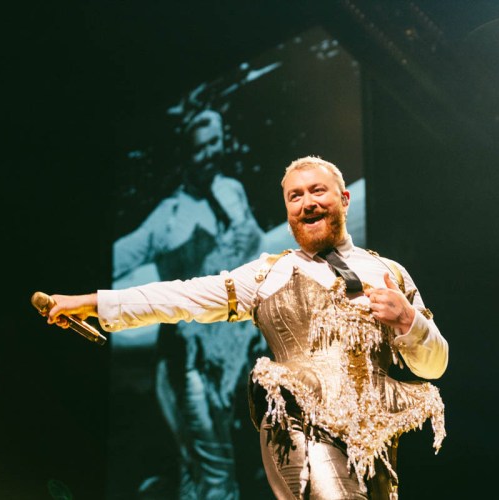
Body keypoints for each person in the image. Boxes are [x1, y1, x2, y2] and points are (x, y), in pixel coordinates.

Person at [46, 156, 449, 499]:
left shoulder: (389, 273)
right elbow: (181, 296)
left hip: (373, 442)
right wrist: (94, 303)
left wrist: (408, 321)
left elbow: (434, 365)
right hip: (299, 422)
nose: (307, 203)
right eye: (295, 196)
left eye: (317, 191)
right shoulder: (268, 274)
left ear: (344, 199)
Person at [113, 108, 266, 499]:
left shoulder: (232, 191)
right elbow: (118, 256)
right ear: (184, 155)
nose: (211, 154)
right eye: (200, 149)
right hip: (189, 364)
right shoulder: (170, 217)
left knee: (197, 472)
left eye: (216, 143)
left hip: (228, 359)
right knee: (218, 478)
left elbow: (252, 256)